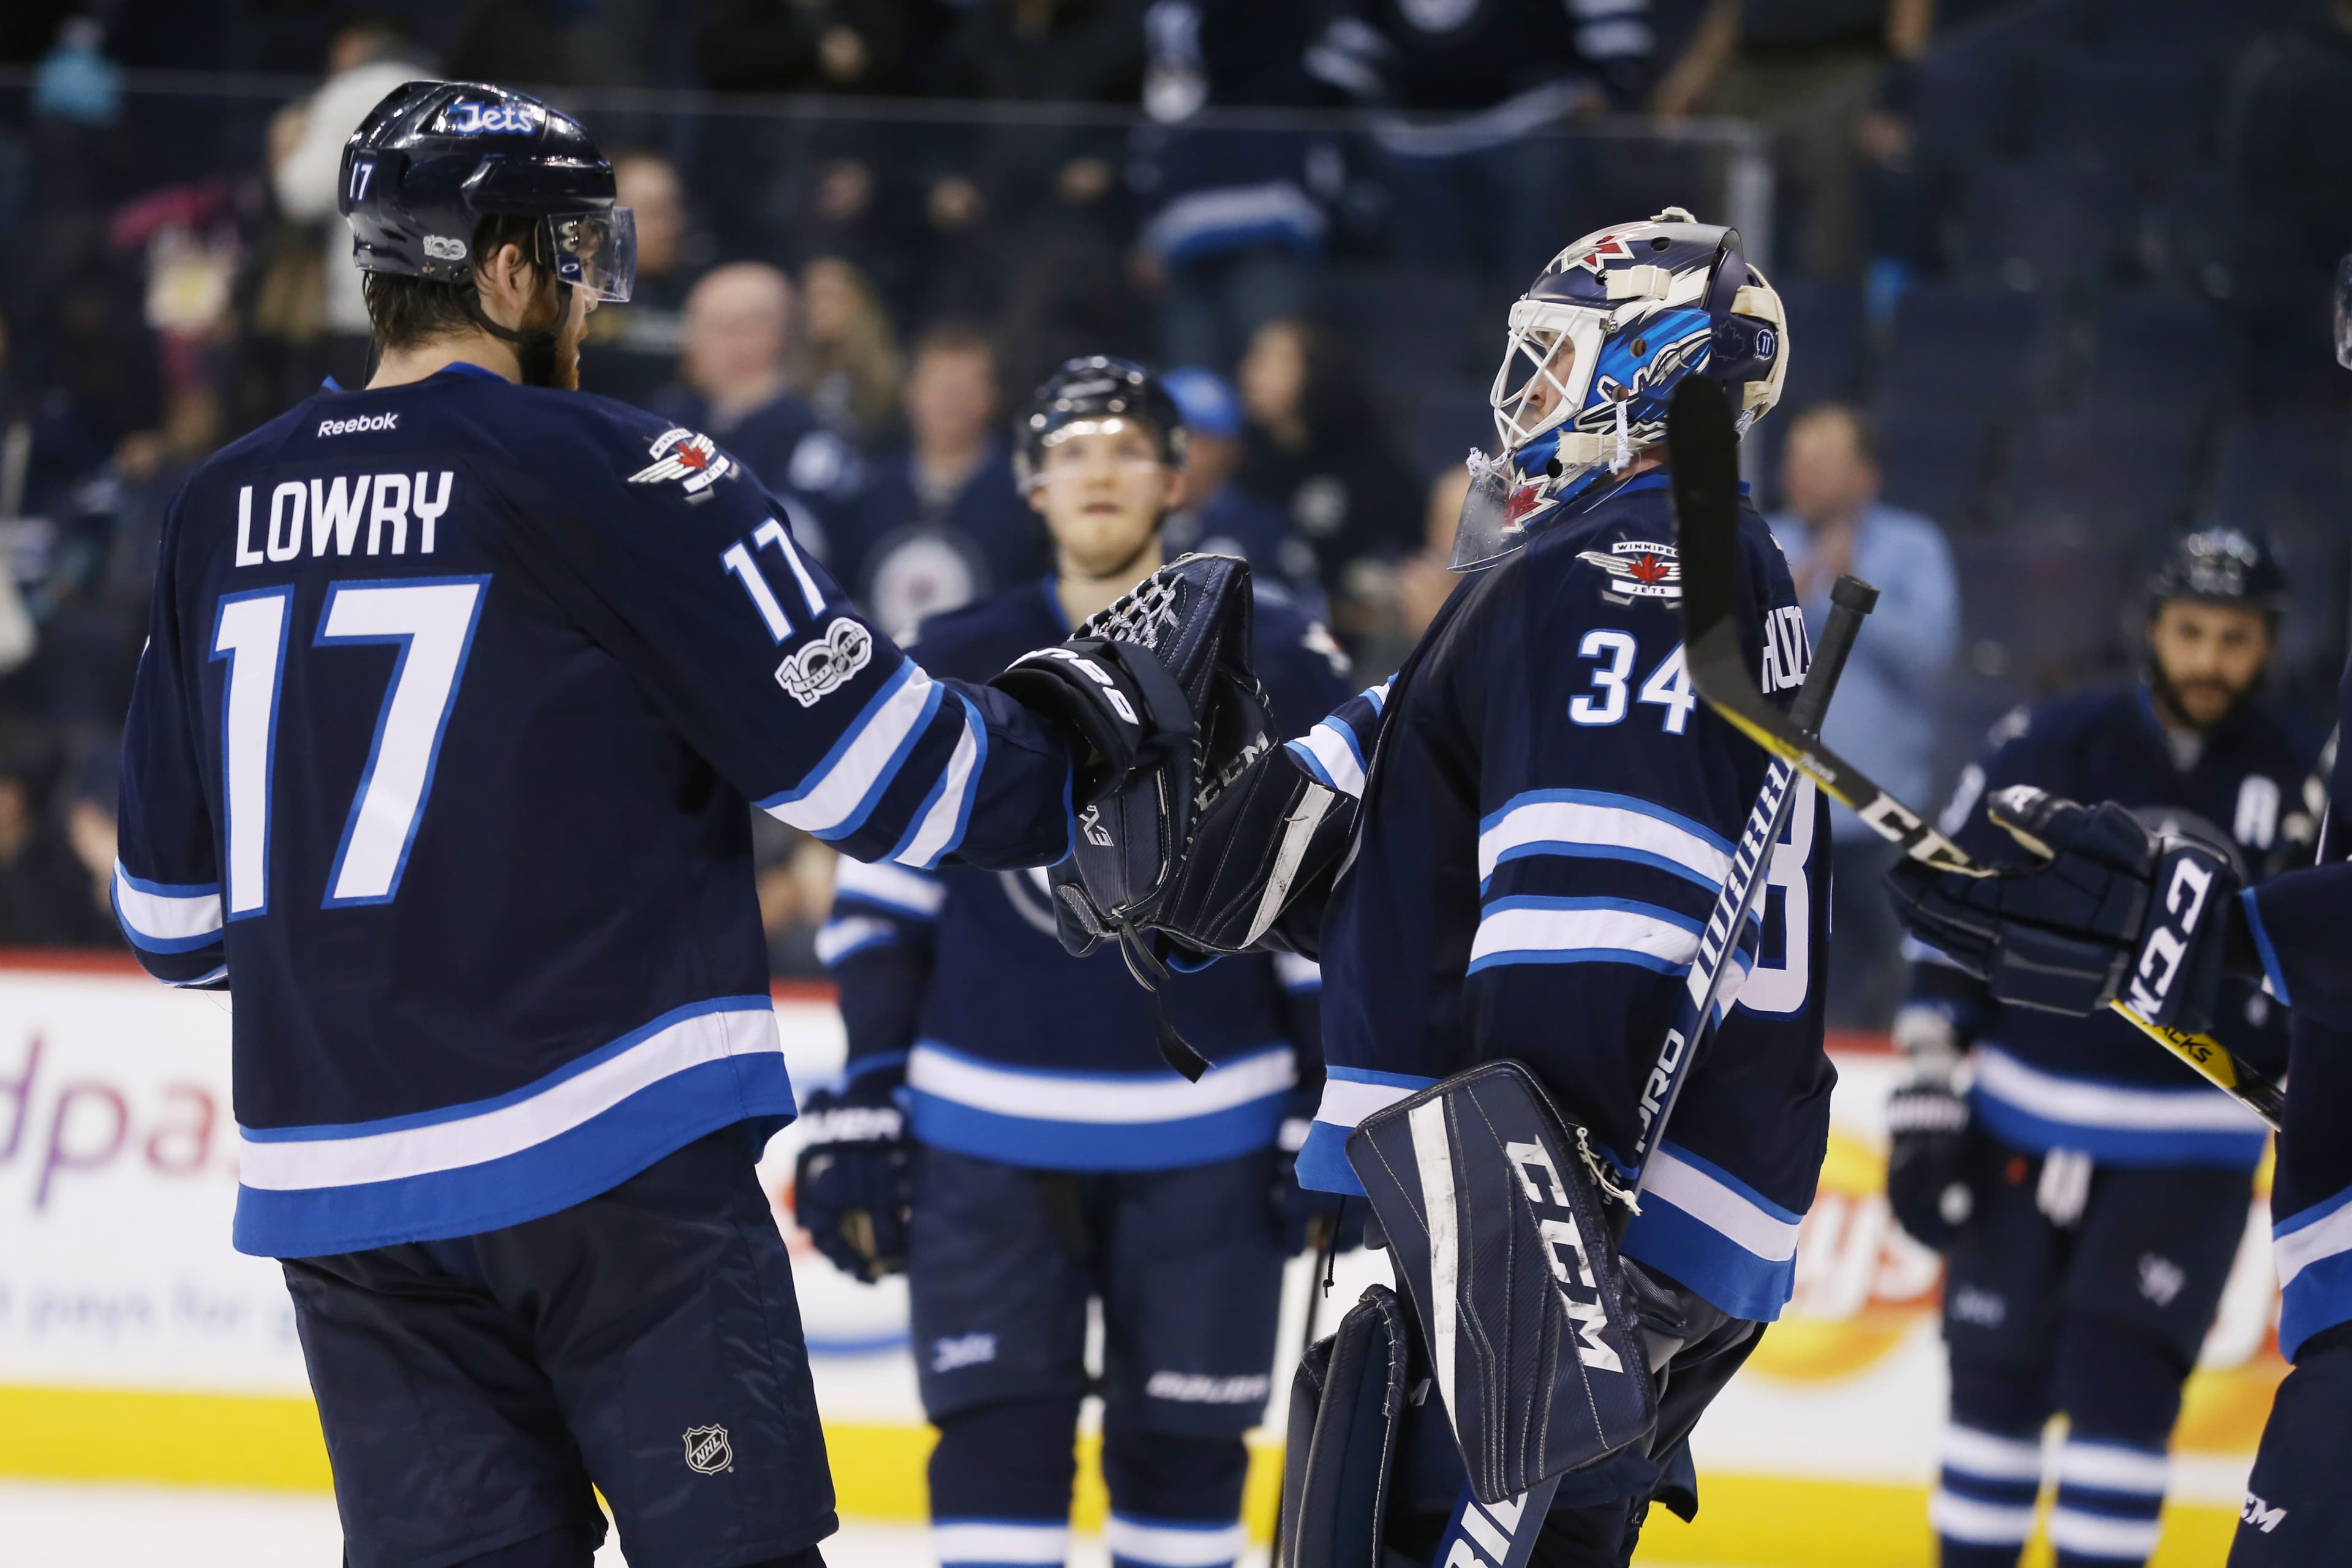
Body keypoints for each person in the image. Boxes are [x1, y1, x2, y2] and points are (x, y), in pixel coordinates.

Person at [107, 81, 1197, 1568]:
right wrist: (1089, 735)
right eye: (569, 254)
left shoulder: (216, 504)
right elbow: (882, 779)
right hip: (609, 1165)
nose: (589, 293)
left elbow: (174, 922)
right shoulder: (628, 470)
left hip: (340, 1185)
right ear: (503, 271)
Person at [1118, 209, 1811, 1562]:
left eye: (1556, 359)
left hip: (1540, 1209)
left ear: (1655, 370)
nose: (1523, 398)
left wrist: (1540, 1220)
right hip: (1562, 1194)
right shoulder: (1642, 554)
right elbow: (1464, 861)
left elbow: (1602, 907)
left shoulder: (1629, 556)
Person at [795, 355, 1354, 1568]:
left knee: (1188, 1470)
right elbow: (885, 899)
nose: (1098, 467)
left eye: (1125, 445)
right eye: (1072, 447)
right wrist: (870, 1090)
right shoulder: (955, 650)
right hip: (982, 1133)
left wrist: (1331, 1103)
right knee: (996, 1462)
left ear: (1175, 474)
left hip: (1214, 1137)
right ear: (1030, 483)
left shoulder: (1289, 665)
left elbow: (1336, 917)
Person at [1885, 264, 2352, 1566]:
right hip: (2019, 1132)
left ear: (2268, 643)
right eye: (2193, 628)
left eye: (2236, 636)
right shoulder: (2061, 741)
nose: (2212, 657)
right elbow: (1953, 924)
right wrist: (1927, 1110)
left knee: (2119, 1419)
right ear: (2154, 625)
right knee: (1985, 1411)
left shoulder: (2308, 769)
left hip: (2189, 1159)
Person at [1767, 402, 1957, 1029]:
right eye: (1796, 459)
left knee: (1892, 987)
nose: (1801, 475)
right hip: (1782, 820)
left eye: (1821, 462)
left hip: (1880, 816)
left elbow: (1932, 656)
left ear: (1865, 476)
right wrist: (1773, 604)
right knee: (1784, 985)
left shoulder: (1912, 546)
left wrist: (1855, 586)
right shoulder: (1760, 543)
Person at [833, 322, 1042, 641]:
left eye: (964, 391)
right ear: (911, 393)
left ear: (992, 397)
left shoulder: (1025, 495)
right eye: (939, 388)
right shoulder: (869, 490)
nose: (950, 404)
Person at [654, 262, 864, 563]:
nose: (694, 342)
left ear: (775, 336)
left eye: (732, 327)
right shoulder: (664, 419)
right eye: (700, 326)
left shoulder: (814, 434)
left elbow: (798, 544)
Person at [1231, 318, 1423, 633]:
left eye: (1270, 360)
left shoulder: (1368, 461)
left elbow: (1414, 546)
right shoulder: (1243, 459)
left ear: (1315, 373)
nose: (1248, 371)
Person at [1158, 366, 1329, 618]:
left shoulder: (1265, 532)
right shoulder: (1127, 522)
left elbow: (1306, 625)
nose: (1178, 453)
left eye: (1195, 439)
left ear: (1229, 452)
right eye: (1167, 437)